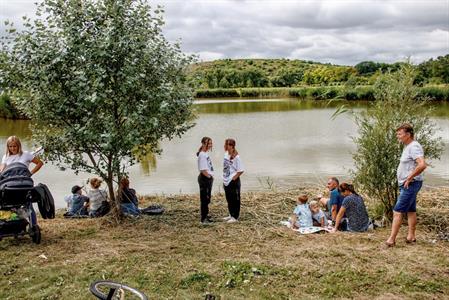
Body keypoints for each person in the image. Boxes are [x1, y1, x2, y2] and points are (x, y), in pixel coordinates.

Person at [386, 124, 427, 247]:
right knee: (411, 210)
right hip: (408, 183)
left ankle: (391, 240)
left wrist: (409, 177)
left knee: (397, 211)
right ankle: (411, 236)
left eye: (400, 134)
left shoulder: (414, 147)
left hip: (410, 184)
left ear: (408, 134)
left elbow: (422, 165)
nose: (397, 136)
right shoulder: (408, 146)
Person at [222, 138, 244, 223]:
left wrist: (233, 178)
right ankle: (230, 215)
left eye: (229, 145)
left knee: (235, 199)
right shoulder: (226, 154)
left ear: (232, 146)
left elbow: (241, 170)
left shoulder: (236, 157)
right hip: (226, 180)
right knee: (229, 198)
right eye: (226, 144)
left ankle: (235, 217)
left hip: (233, 181)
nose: (227, 146)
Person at [197, 137, 214, 224]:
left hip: (207, 178)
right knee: (204, 199)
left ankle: (206, 214)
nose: (210, 145)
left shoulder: (205, 153)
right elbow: (202, 170)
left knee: (207, 198)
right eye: (208, 143)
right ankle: (203, 220)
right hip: (204, 179)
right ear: (203, 143)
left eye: (211, 143)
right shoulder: (202, 155)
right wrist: (209, 177)